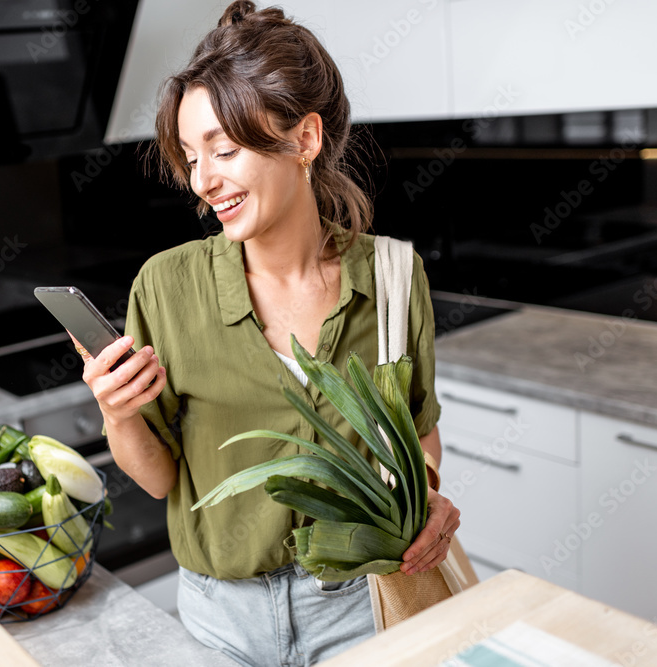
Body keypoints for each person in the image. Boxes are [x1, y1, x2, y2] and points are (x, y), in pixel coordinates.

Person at [69, 2, 460, 665]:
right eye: (192, 156)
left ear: (304, 139)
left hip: (363, 602)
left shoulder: (394, 275)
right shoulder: (165, 287)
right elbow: (162, 480)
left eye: (223, 149)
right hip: (220, 616)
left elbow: (417, 434)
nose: (203, 180)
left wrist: (425, 503)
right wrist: (117, 412)